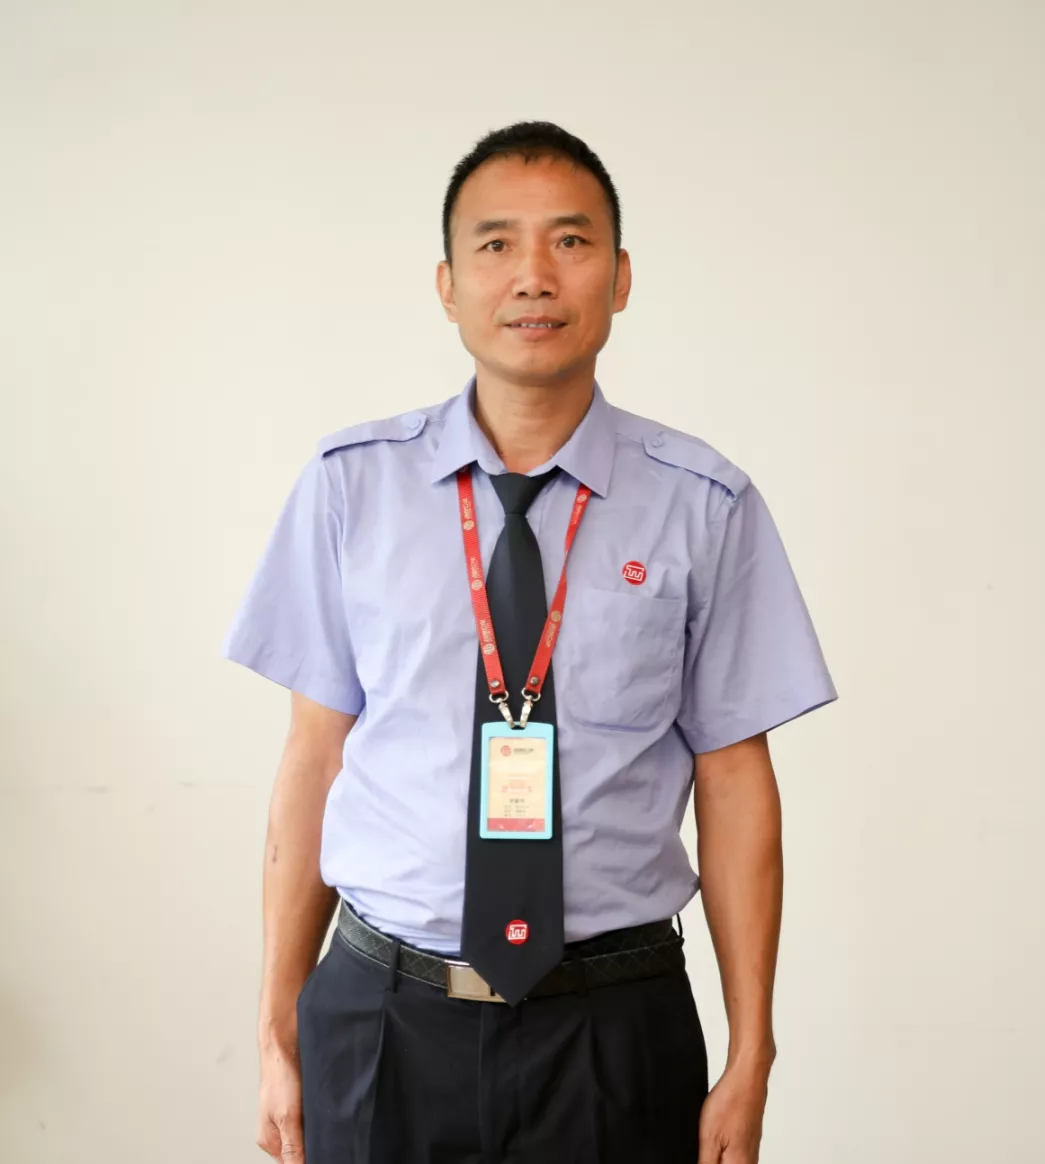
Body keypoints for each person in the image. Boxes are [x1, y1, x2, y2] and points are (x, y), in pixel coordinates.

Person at [221, 120, 838, 1164]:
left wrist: (752, 1053)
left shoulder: (704, 506)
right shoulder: (350, 488)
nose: (534, 276)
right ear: (448, 285)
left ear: (621, 277)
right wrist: (277, 1027)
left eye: (572, 241)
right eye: (497, 243)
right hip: (383, 1019)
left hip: (612, 1025)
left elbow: (736, 779)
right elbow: (315, 759)